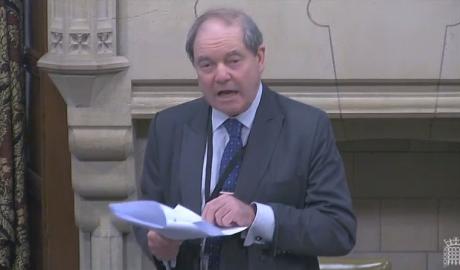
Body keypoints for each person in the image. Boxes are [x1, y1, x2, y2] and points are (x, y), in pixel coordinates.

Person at [134, 8, 356, 270]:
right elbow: (149, 213)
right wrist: (160, 246)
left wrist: (256, 217)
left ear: (259, 57)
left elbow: (338, 229)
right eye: (207, 65)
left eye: (233, 61)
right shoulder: (169, 126)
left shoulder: (307, 127)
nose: (221, 75)